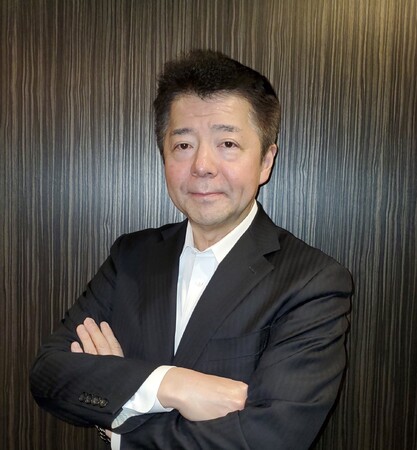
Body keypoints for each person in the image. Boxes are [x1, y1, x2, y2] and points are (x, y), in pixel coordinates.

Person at [30, 49, 353, 449]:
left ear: (266, 161)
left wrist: (120, 425)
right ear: (164, 155)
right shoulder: (131, 256)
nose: (202, 165)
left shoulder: (312, 282)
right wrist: (170, 384)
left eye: (228, 143)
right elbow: (48, 373)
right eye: (183, 145)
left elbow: (269, 437)